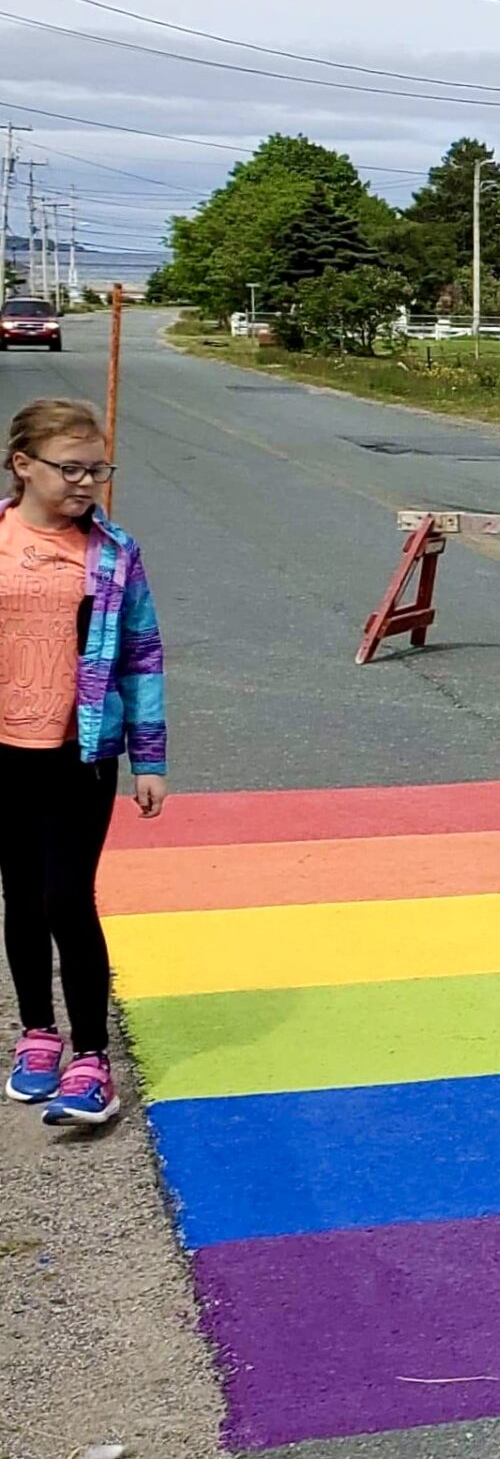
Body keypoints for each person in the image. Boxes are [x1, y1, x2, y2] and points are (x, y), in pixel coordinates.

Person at [2, 398, 167, 1130]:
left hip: (83, 751)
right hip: (2, 751)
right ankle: (38, 1034)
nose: (87, 482)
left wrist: (150, 757)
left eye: (97, 469)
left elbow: (141, 652)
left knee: (69, 896)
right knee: (21, 898)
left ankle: (92, 1058)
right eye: (71, 468)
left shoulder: (113, 552)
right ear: (23, 465)